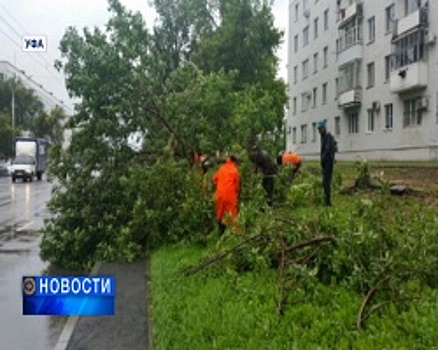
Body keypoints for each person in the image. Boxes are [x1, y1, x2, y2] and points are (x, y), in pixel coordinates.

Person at [212, 156, 240, 234]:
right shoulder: (235, 170)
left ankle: (220, 233)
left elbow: (214, 180)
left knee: (220, 213)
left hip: (219, 194)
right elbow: (237, 187)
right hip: (229, 195)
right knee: (232, 214)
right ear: (235, 162)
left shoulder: (221, 168)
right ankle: (234, 234)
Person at [317, 120, 337, 206]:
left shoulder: (328, 136)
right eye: (318, 129)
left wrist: (323, 159)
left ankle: (327, 201)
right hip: (325, 163)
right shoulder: (323, 137)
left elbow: (328, 150)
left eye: (320, 129)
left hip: (328, 162)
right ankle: (326, 200)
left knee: (326, 182)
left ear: (324, 128)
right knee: (325, 182)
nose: (319, 131)